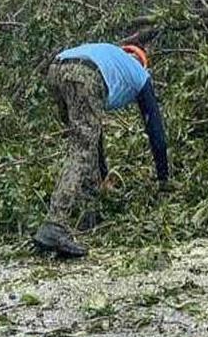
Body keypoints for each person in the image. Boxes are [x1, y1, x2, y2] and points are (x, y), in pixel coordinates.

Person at [34, 42, 169, 258]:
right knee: (81, 149)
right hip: (85, 74)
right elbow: (156, 133)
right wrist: (164, 179)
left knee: (84, 141)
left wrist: (104, 175)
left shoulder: (110, 56)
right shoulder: (140, 75)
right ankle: (54, 225)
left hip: (57, 68)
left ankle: (89, 214)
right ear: (143, 64)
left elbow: (94, 135)